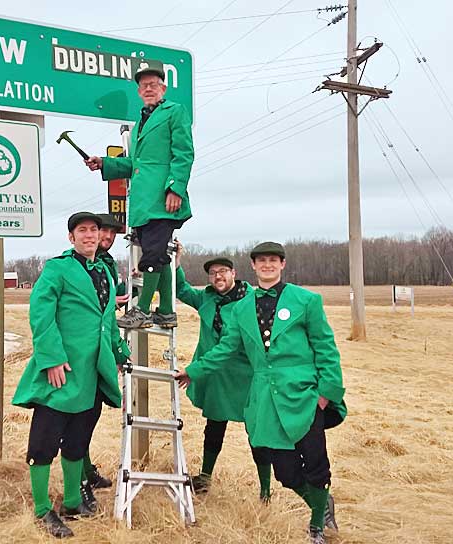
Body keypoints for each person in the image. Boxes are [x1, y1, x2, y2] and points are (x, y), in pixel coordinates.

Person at [175, 242, 346, 544]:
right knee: (286, 472)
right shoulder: (241, 309)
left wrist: (325, 394)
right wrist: (194, 370)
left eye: (273, 260)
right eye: (261, 260)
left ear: (282, 264)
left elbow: (326, 348)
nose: (267, 265)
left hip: (304, 396)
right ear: (253, 266)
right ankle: (321, 503)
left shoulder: (306, 300)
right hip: (266, 398)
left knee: (316, 462)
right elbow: (226, 348)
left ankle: (317, 525)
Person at [11, 212, 130, 539]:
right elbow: (41, 314)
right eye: (82, 230)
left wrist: (120, 353)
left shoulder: (105, 272)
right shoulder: (57, 269)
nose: (90, 235)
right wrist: (51, 358)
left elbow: (107, 322)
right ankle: (41, 509)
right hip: (61, 370)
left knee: (78, 439)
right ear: (71, 237)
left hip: (93, 372)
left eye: (94, 230)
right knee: (44, 441)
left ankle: (73, 502)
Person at [85, 59, 194, 330]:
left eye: (153, 84)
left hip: (163, 199)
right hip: (143, 204)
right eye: (144, 85)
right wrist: (105, 163)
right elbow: (135, 164)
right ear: (138, 91)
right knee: (159, 254)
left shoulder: (175, 111)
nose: (148, 89)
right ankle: (166, 311)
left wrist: (175, 188)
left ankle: (142, 310)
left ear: (163, 88)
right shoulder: (139, 123)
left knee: (153, 255)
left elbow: (184, 153)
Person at [173, 242, 272, 501]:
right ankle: (205, 478)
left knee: (256, 431)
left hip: (244, 376)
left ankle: (265, 491)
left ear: (234, 274)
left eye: (223, 272)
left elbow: (232, 345)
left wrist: (194, 370)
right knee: (214, 427)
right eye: (213, 273)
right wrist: (177, 262)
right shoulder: (207, 298)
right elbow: (181, 289)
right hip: (217, 377)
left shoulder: (250, 301)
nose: (218, 277)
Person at [75, 213, 129, 502]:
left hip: (101, 349)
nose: (106, 238)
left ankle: (86, 469)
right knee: (78, 418)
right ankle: (79, 480)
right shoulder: (76, 264)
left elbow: (109, 303)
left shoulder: (107, 264)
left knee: (90, 415)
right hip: (79, 352)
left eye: (111, 234)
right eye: (103, 232)